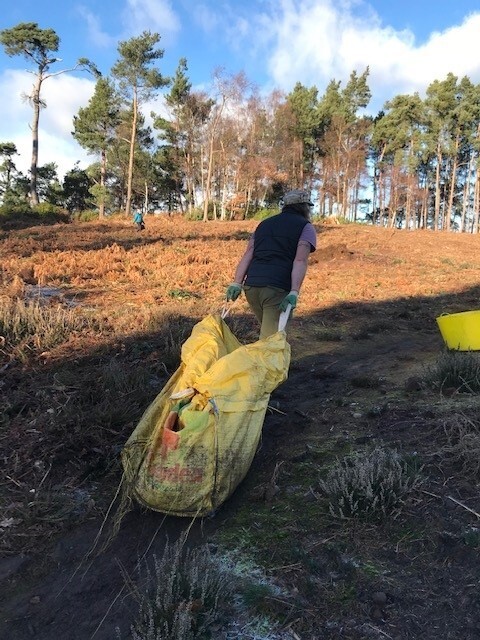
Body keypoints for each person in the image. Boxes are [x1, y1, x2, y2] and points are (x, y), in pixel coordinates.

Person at [225, 189, 317, 339]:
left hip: (252, 287)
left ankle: (266, 360)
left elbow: (249, 254)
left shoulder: (264, 224)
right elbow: (300, 260)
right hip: (276, 289)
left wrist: (237, 283)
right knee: (272, 339)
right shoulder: (305, 227)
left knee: (269, 332)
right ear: (304, 207)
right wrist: (294, 291)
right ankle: (266, 362)